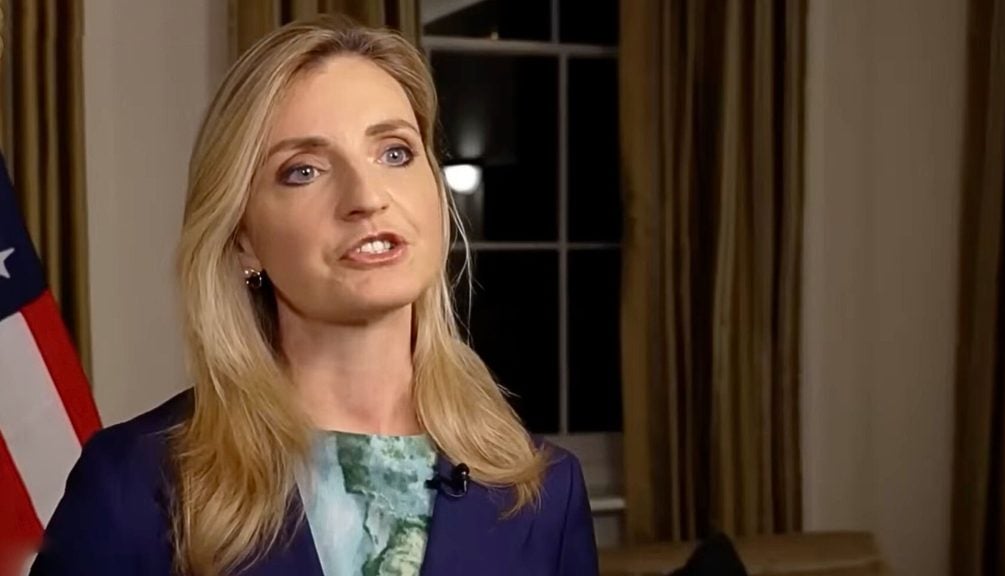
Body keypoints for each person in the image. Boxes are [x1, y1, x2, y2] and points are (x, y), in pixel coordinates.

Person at [31, 16, 598, 576]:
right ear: (244, 239)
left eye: (395, 153)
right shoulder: (136, 484)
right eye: (304, 170)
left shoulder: (544, 491)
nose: (366, 196)